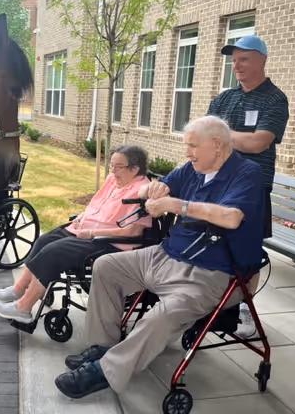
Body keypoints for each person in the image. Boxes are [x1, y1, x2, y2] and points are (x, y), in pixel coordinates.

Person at [54, 115, 265, 400]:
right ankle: (102, 347)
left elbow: (231, 217)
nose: (187, 152)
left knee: (162, 315)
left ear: (217, 145)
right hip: (166, 255)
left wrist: (177, 204)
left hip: (210, 273)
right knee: (106, 266)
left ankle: (104, 372)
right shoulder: (193, 168)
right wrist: (154, 189)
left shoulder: (246, 173)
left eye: (192, 145)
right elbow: (144, 190)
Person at [0, 144, 152, 324]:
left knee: (54, 252)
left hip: (110, 242)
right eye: (111, 165)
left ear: (135, 169)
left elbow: (132, 231)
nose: (113, 171)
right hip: (85, 231)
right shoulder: (113, 180)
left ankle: (23, 308)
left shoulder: (142, 191)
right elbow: (97, 205)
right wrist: (81, 218)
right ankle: (18, 289)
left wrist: (91, 233)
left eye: (118, 167)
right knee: (45, 240)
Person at [207, 34, 289, 337]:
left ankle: (245, 311)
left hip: (251, 188)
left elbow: (258, 143)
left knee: (247, 249)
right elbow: (204, 138)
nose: (237, 65)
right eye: (234, 60)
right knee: (212, 243)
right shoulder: (223, 98)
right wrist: (224, 137)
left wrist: (222, 136)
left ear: (262, 60)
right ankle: (214, 303)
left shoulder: (274, 98)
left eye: (244, 59)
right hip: (216, 184)